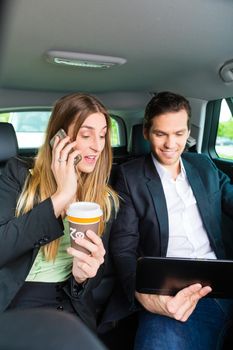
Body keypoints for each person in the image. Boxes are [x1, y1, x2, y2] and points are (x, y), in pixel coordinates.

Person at [110, 91, 233, 349]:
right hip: (168, 290)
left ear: (188, 132)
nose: (170, 144)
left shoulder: (203, 165)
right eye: (160, 134)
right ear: (146, 132)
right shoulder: (129, 177)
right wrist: (144, 296)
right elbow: (124, 247)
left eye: (179, 134)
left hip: (221, 281)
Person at [0, 92, 119, 331]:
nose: (97, 146)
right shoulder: (18, 176)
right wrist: (62, 196)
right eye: (86, 135)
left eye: (103, 135)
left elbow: (96, 275)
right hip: (17, 301)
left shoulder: (105, 199)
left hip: (70, 305)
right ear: (59, 137)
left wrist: (83, 277)